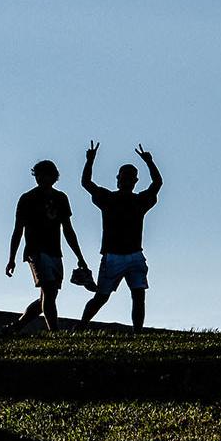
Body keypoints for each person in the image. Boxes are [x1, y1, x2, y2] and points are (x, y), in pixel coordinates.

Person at [78, 142, 162, 332]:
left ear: (133, 181)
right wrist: (89, 160)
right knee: (103, 297)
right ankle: (81, 327)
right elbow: (86, 183)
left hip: (132, 255)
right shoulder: (113, 199)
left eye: (129, 177)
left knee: (137, 295)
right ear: (119, 179)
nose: (125, 180)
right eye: (124, 177)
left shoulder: (133, 200)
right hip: (114, 256)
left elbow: (157, 184)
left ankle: (137, 333)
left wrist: (150, 162)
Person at [4, 160, 88, 332]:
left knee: (47, 296)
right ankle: (54, 333)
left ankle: (16, 326)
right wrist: (11, 258)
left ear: (54, 176)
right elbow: (18, 230)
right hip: (36, 251)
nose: (41, 178)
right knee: (48, 292)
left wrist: (80, 257)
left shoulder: (61, 198)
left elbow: (68, 230)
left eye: (46, 174)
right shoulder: (27, 198)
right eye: (39, 174)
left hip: (55, 252)